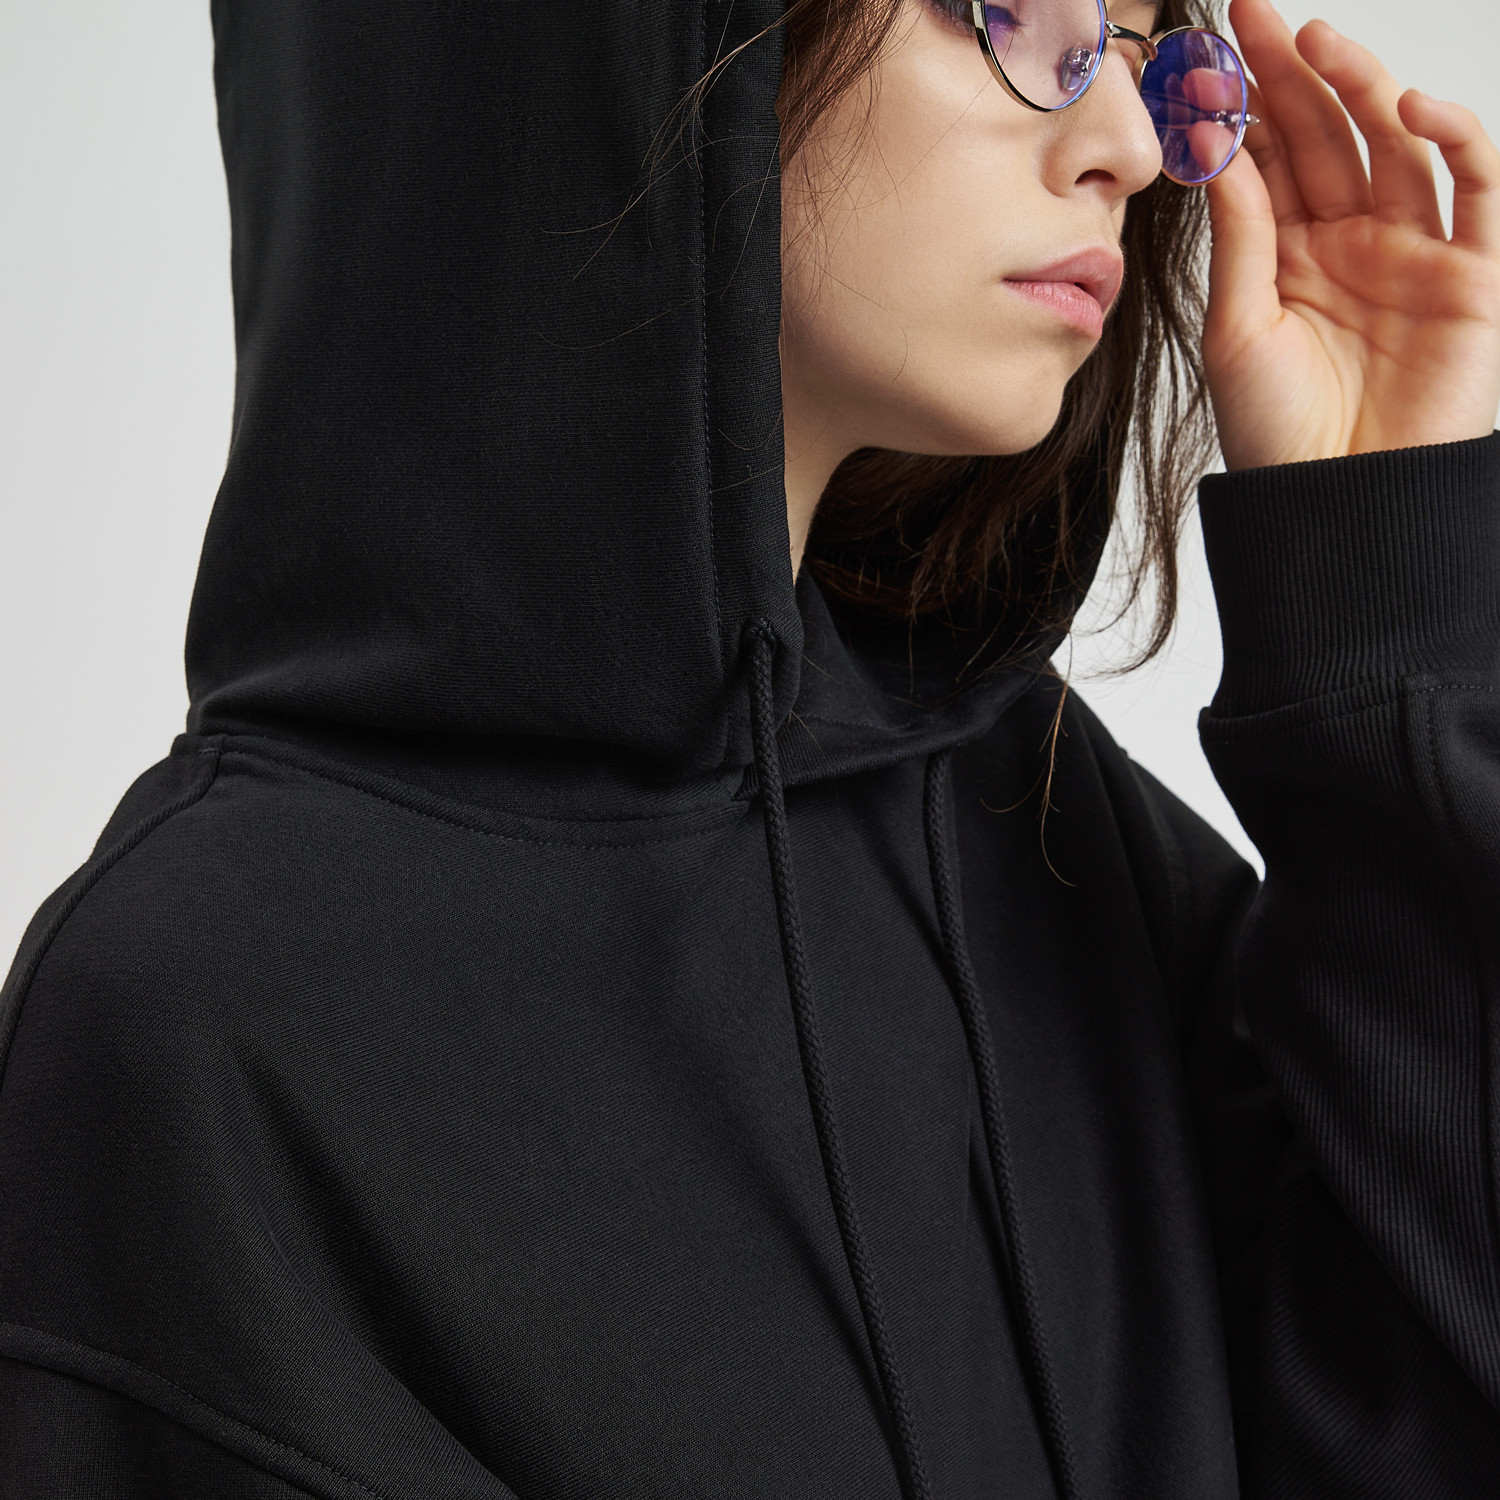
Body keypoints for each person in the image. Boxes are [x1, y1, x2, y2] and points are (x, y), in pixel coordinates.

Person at [1, 0, 1497, 1492]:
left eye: (1139, 43)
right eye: (1011, 12)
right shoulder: (197, 1034)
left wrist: (1382, 594)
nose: (1130, 143)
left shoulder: (1016, 808)